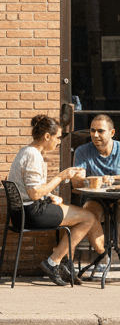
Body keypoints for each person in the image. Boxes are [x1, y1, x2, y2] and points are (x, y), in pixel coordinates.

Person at [7, 114, 105, 286]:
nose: (59, 141)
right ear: (47, 136)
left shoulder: (26, 151)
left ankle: (65, 265)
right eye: (58, 137)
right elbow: (34, 194)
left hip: (23, 212)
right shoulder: (33, 155)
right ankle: (53, 262)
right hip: (32, 213)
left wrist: (50, 196)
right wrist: (61, 177)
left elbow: (31, 189)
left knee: (76, 216)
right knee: (88, 217)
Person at [71, 114, 120, 277]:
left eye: (100, 131)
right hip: (95, 199)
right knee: (88, 214)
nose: (95, 135)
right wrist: (91, 179)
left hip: (118, 198)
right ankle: (105, 257)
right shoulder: (83, 151)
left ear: (112, 133)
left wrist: (114, 179)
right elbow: (77, 182)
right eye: (92, 131)